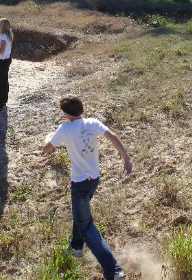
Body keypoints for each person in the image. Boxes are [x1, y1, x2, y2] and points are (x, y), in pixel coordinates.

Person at [41, 95, 132, 280]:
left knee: (86, 227)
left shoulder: (65, 128)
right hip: (94, 180)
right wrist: (126, 159)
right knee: (80, 214)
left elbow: (46, 148)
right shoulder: (92, 123)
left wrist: (48, 136)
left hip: (79, 184)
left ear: (66, 113)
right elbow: (112, 136)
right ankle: (76, 247)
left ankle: (113, 270)